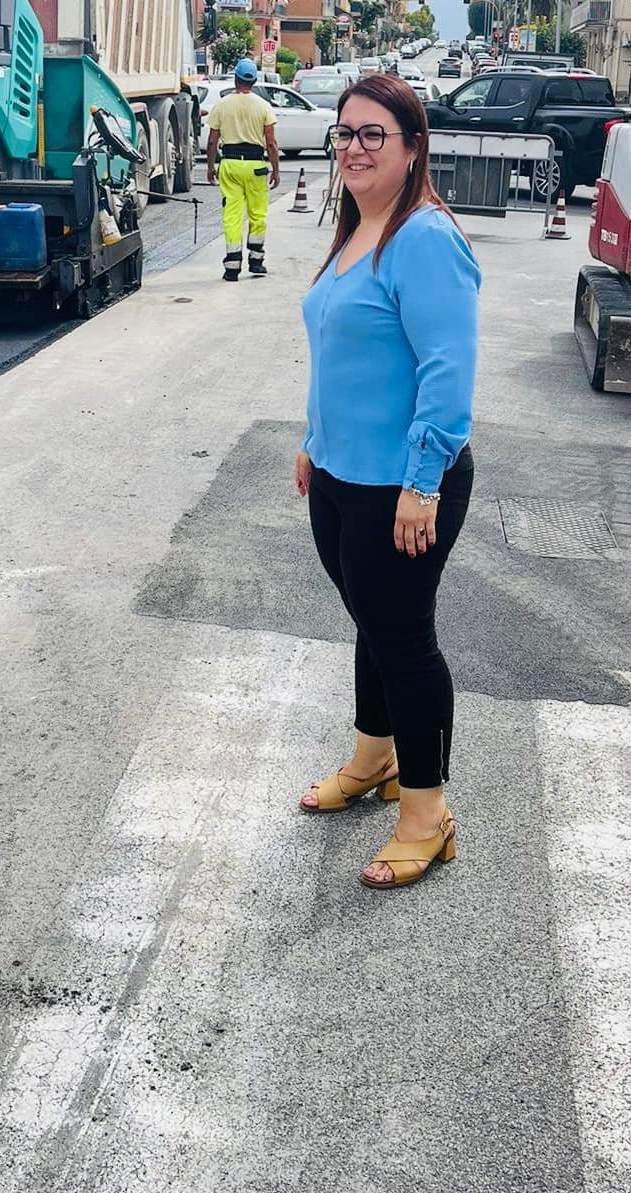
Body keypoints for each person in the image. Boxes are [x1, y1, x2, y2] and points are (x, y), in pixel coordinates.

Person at [295, 73, 480, 890]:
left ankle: (426, 813)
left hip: (402, 485)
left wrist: (424, 481)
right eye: (345, 134)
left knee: (405, 642)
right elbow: (340, 351)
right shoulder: (356, 228)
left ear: (413, 148)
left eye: (374, 134)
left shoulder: (424, 238)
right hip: (339, 475)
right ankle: (374, 759)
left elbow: (448, 371)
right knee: (371, 619)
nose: (354, 149)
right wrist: (311, 439)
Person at [205, 57, 280, 282]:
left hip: (230, 164)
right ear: (254, 80)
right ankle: (256, 261)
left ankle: (232, 266)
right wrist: (275, 170)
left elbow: (211, 140)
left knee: (232, 214)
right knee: (258, 214)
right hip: (256, 166)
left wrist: (210, 167)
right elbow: (271, 143)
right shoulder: (263, 106)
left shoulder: (222, 105)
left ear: (235, 78)